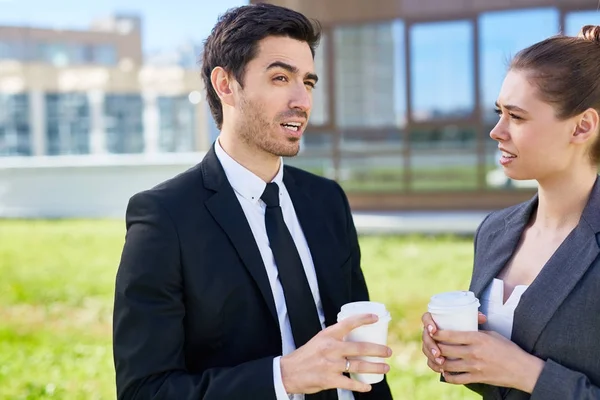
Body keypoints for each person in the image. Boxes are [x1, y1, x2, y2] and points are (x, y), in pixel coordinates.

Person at [112, 3, 394, 400]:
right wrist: (283, 377)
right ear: (225, 84)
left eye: (308, 83)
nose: (303, 101)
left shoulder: (327, 199)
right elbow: (146, 390)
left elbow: (356, 338)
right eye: (281, 78)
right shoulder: (164, 218)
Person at [420, 25, 600, 399]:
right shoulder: (495, 230)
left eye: (516, 117)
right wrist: (454, 352)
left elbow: (519, 374)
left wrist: (529, 374)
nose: (497, 131)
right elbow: (493, 379)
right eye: (499, 113)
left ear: (582, 126)